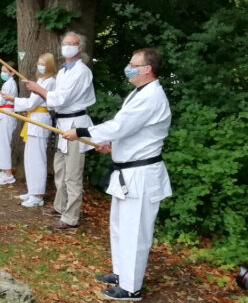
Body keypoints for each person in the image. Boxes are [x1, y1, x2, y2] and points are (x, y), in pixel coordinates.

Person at [62, 48, 171, 301]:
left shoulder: (152, 96)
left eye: (133, 64)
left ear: (147, 69)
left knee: (135, 231)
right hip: (127, 172)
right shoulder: (138, 92)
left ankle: (131, 288)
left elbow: (122, 125)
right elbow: (132, 131)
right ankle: (122, 273)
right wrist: (111, 144)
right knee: (120, 227)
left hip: (141, 174)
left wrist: (82, 132)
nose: (128, 68)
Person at [25, 31, 95, 231]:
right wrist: (44, 92)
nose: (67, 46)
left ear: (79, 47)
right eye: (65, 43)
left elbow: (61, 99)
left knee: (72, 174)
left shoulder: (81, 71)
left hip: (75, 124)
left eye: (72, 43)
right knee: (60, 169)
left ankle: (71, 217)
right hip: (62, 124)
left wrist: (40, 90)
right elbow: (56, 98)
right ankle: (60, 206)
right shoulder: (64, 71)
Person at [2, 54, 57, 207]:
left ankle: (38, 195)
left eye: (43, 64)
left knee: (37, 159)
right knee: (29, 158)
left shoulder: (50, 81)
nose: (40, 66)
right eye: (39, 63)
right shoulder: (40, 80)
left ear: (50, 66)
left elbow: (33, 103)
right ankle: (32, 190)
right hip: (33, 119)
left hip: (40, 121)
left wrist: (12, 99)